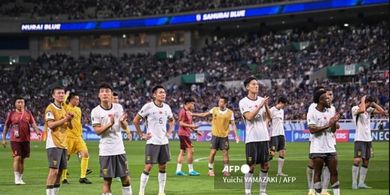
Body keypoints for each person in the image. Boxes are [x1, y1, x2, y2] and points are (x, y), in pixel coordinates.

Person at [91, 83, 132, 195]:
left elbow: (123, 126)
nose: (105, 93)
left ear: (111, 95)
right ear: (99, 95)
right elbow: (98, 131)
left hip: (119, 149)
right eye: (102, 91)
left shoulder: (118, 107)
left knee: (126, 178)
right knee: (107, 180)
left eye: (107, 91)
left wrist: (123, 123)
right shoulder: (96, 111)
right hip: (106, 150)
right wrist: (110, 124)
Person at [133, 85, 175, 195]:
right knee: (148, 166)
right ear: (154, 95)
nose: (163, 94)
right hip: (152, 142)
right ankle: (141, 191)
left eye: (164, 92)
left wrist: (169, 132)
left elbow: (172, 120)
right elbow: (136, 120)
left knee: (163, 166)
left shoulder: (167, 107)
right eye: (160, 92)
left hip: (164, 142)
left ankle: (161, 191)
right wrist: (142, 134)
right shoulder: (148, 106)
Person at [191, 96, 239, 177]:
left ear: (225, 103)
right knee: (213, 153)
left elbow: (233, 125)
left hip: (224, 136)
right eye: (219, 101)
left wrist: (236, 136)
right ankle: (210, 170)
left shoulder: (230, 113)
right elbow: (203, 114)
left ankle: (226, 171)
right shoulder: (214, 109)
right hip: (215, 135)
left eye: (221, 102)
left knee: (225, 153)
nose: (219, 103)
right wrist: (193, 114)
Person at [239, 77, 271, 195]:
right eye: (253, 84)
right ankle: (248, 192)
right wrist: (260, 105)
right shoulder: (243, 102)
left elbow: (269, 117)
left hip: (264, 137)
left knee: (265, 164)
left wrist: (266, 106)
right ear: (248, 87)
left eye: (257, 84)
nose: (256, 86)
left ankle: (262, 191)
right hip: (252, 138)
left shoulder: (262, 100)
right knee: (251, 166)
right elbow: (249, 117)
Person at [307, 90, 340, 195]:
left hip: (330, 147)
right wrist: (328, 125)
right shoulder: (312, 112)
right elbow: (312, 130)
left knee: (334, 172)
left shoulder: (330, 111)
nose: (329, 99)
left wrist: (334, 122)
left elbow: (333, 130)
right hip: (317, 148)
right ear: (321, 100)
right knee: (317, 173)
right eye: (326, 98)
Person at [2, 96, 41, 185]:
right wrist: (4, 139)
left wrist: (38, 132)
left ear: (24, 104)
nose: (20, 104)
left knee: (22, 160)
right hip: (15, 140)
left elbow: (33, 124)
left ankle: (20, 178)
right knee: (17, 157)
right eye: (18, 102)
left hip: (26, 140)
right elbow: (6, 126)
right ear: (15, 104)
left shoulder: (28, 113)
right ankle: (16, 178)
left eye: (22, 102)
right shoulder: (11, 114)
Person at [351, 95, 386, 189]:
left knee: (366, 161)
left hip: (368, 139)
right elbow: (362, 110)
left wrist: (374, 104)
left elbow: (383, 112)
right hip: (359, 138)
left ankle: (361, 183)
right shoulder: (355, 108)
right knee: (357, 160)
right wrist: (362, 100)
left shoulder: (369, 110)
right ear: (366, 102)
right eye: (370, 103)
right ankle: (354, 183)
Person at [45, 86, 74, 195]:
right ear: (53, 95)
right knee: (54, 171)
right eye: (59, 93)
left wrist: (69, 119)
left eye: (62, 93)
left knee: (60, 171)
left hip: (64, 143)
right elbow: (51, 125)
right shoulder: (50, 108)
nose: (61, 95)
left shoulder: (64, 108)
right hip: (53, 142)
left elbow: (70, 127)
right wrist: (65, 119)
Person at [60, 91, 92, 184]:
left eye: (78, 99)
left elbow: (78, 123)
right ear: (71, 99)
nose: (78, 101)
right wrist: (66, 94)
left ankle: (83, 177)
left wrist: (80, 133)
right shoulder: (66, 108)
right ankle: (64, 178)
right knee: (66, 158)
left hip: (78, 137)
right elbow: (62, 103)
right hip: (69, 137)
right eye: (76, 99)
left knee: (85, 154)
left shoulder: (78, 109)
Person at [175, 98, 201, 176]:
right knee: (190, 150)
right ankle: (191, 170)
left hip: (185, 134)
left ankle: (178, 170)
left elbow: (188, 124)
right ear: (188, 103)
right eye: (192, 104)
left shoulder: (188, 112)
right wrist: (191, 125)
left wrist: (196, 131)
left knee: (182, 152)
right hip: (184, 134)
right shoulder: (183, 111)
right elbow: (181, 123)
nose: (193, 105)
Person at [269, 96, 288, 177]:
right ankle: (264, 166)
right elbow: (267, 121)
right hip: (274, 134)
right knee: (272, 154)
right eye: (284, 105)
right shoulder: (271, 110)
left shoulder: (282, 111)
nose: (285, 106)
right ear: (280, 103)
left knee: (282, 152)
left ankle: (279, 172)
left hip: (281, 134)